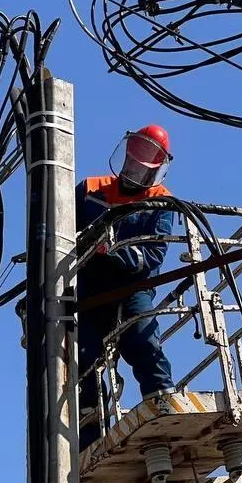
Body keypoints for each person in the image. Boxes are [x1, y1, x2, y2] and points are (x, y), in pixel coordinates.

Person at [76, 124, 177, 449]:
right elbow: (59, 229)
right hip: (88, 288)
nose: (133, 172)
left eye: (141, 168)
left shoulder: (161, 202)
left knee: (142, 339)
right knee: (85, 359)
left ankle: (162, 413)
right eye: (131, 164)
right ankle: (91, 440)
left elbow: (153, 253)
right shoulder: (91, 189)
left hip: (133, 288)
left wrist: (113, 252)